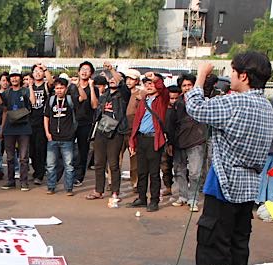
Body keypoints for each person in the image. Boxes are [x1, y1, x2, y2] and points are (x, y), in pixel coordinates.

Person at [186, 53, 273, 265]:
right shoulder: (266, 106)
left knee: (213, 241)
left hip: (224, 181)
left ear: (243, 76)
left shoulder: (235, 104)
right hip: (249, 183)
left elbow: (195, 108)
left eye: (233, 72)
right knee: (238, 243)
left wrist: (201, 76)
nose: (230, 76)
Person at [88, 63, 129, 203]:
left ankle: (115, 192)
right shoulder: (104, 94)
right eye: (110, 78)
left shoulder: (123, 94)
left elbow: (120, 81)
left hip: (116, 132)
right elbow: (95, 107)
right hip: (101, 130)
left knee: (113, 163)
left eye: (114, 78)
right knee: (99, 162)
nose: (112, 79)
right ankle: (99, 190)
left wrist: (112, 70)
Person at [128, 72, 169, 212]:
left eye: (151, 84)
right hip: (141, 138)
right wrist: (132, 141)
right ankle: (142, 198)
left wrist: (155, 78)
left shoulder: (162, 99)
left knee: (154, 173)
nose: (149, 86)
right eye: (146, 84)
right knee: (142, 171)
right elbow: (136, 122)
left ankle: (154, 200)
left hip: (154, 139)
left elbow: (162, 88)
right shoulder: (144, 100)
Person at [170, 73, 208, 212]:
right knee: (179, 170)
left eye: (189, 85)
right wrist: (170, 142)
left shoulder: (201, 101)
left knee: (195, 172)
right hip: (179, 141)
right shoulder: (177, 102)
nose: (187, 88)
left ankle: (193, 199)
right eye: (184, 86)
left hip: (196, 141)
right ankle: (183, 196)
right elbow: (172, 123)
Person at [0, 71, 33, 191]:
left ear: (20, 78)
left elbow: (33, 102)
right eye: (12, 77)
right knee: (9, 157)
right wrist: (2, 129)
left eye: (16, 76)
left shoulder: (25, 91)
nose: (14, 79)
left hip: (24, 127)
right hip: (9, 127)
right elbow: (4, 111)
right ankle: (11, 180)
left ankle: (24, 181)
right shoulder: (7, 92)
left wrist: (31, 86)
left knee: (23, 157)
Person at [44, 77, 77, 195]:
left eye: (61, 88)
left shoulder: (70, 99)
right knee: (50, 165)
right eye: (57, 88)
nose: (59, 90)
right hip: (52, 137)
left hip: (67, 138)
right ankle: (51, 186)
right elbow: (46, 117)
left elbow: (83, 99)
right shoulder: (51, 100)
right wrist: (47, 133)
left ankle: (69, 188)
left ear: (66, 89)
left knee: (69, 165)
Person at [68, 62, 98, 185]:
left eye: (87, 70)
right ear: (78, 71)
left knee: (82, 150)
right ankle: (66, 173)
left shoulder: (94, 88)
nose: (84, 71)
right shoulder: (72, 87)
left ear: (91, 73)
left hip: (86, 122)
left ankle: (79, 176)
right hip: (71, 122)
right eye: (82, 69)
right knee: (66, 148)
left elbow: (94, 105)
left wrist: (91, 87)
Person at [28, 63, 53, 185]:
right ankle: (36, 171)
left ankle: (40, 174)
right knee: (31, 150)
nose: (38, 73)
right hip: (30, 121)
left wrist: (45, 69)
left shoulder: (45, 86)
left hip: (42, 121)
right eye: (35, 71)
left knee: (40, 148)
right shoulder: (29, 86)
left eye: (40, 71)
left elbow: (51, 82)